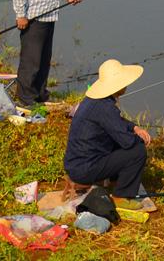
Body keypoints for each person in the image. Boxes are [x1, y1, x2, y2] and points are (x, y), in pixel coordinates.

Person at [63, 59, 154, 206]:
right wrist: (140, 139)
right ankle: (121, 197)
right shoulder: (106, 107)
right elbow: (128, 142)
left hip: (75, 164)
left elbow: (115, 122)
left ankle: (116, 180)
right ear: (117, 86)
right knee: (137, 151)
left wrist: (134, 128)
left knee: (120, 142)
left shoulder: (93, 101)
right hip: (84, 169)